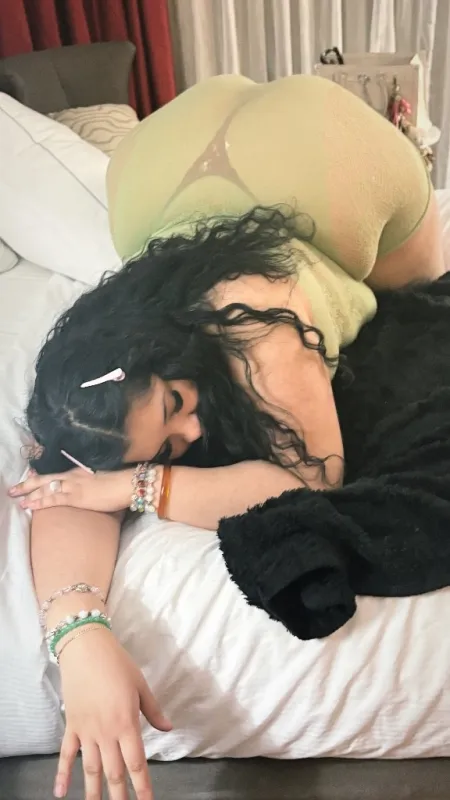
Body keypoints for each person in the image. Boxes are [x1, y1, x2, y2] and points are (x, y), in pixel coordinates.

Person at [8, 75, 445, 799]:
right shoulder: (97, 364)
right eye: (168, 443)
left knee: (418, 291)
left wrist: (139, 484)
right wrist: (78, 636)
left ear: (158, 348)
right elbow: (63, 491)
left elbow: (309, 485)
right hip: (155, 170)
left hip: (331, 157)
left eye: (178, 402)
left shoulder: (263, 334)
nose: (195, 429)